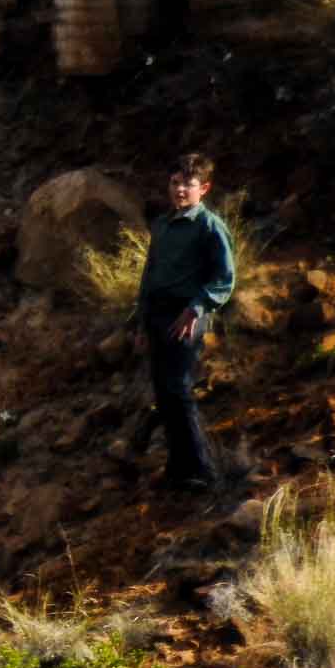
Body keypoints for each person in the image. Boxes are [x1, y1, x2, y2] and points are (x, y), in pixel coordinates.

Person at [135, 151, 235, 493]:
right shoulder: (162, 226)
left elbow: (224, 278)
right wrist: (141, 323)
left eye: (188, 185)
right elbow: (149, 276)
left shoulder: (210, 226)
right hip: (157, 316)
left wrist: (196, 309)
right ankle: (177, 470)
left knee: (178, 390)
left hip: (186, 317)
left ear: (203, 188)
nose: (180, 190)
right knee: (164, 393)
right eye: (175, 183)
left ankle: (203, 472)